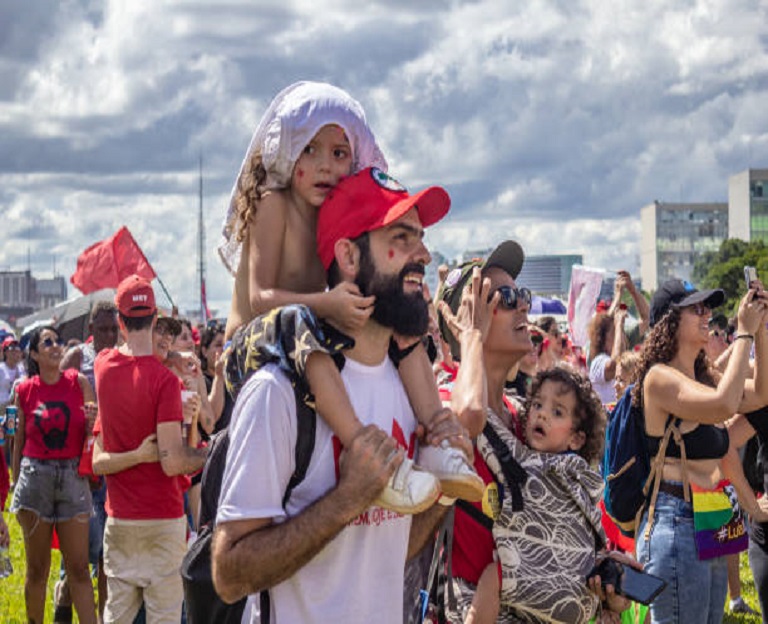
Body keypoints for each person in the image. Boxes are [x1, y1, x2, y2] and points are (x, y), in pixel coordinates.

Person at [211, 167, 471, 623]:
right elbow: (229, 574)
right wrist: (348, 498)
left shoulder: (409, 391)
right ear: (348, 257)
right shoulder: (279, 391)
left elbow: (390, 548)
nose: (424, 255)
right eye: (402, 238)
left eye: (421, 239)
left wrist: (441, 493)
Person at [218, 81, 481, 512]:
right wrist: (327, 305)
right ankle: (366, 451)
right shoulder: (273, 205)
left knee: (391, 312)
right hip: (251, 344)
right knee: (300, 325)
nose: (326, 166)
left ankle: (437, 435)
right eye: (310, 151)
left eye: (340, 154)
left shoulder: (331, 218)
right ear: (289, 154)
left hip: (302, 326)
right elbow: (261, 298)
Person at [435, 243, 630, 623]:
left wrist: (599, 574)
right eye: (505, 297)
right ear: (467, 318)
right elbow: (468, 417)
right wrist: (471, 338)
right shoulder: (444, 403)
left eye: (522, 293)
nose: (524, 305)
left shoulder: (525, 418)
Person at [633, 278, 768, 624]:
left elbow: (762, 395)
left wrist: (762, 330)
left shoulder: (701, 375)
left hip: (709, 520)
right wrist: (743, 334)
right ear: (669, 321)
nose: (707, 313)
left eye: (708, 306)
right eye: (697, 308)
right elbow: (724, 404)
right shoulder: (659, 378)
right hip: (675, 521)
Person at [91, 275, 208, 624]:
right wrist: (213, 452)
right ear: (156, 318)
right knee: (165, 617)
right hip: (163, 517)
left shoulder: (103, 367)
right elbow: (173, 461)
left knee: (117, 616)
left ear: (121, 324)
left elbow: (130, 357)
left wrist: (172, 355)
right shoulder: (165, 382)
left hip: (121, 519)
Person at [468, 366, 609, 623]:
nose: (542, 415)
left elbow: (485, 426)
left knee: (493, 575)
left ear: (576, 440)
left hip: (530, 580)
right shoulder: (586, 480)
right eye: (537, 405)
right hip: (573, 598)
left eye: (557, 412)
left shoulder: (533, 463)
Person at [10, 326, 97, 624]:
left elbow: (92, 434)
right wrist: (13, 478)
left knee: (79, 568)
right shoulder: (24, 390)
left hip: (73, 477)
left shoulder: (79, 382)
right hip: (36, 477)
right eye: (47, 343)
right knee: (37, 569)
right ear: (33, 353)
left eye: (58, 341)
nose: (56, 346)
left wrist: (92, 422)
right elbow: (17, 439)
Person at [55, 300, 119, 624]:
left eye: (114, 328)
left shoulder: (124, 358)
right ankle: (62, 610)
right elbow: (55, 407)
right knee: (78, 561)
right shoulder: (77, 358)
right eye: (103, 329)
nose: (110, 334)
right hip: (79, 471)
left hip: (110, 470)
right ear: (91, 330)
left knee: (108, 558)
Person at [587, 307, 628, 405]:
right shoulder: (598, 361)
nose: (619, 337)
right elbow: (614, 365)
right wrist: (618, 325)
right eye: (614, 333)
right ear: (602, 339)